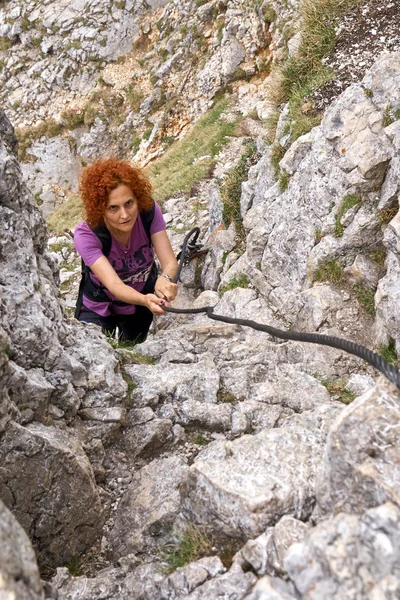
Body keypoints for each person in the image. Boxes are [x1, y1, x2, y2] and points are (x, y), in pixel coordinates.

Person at [73, 157, 178, 343]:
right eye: (113, 208)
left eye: (129, 203)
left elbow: (169, 262)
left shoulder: (149, 213)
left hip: (140, 301)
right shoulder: (87, 235)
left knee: (133, 349)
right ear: (100, 210)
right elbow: (115, 286)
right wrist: (146, 300)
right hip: (99, 304)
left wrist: (165, 278)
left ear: (138, 198)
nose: (124, 215)